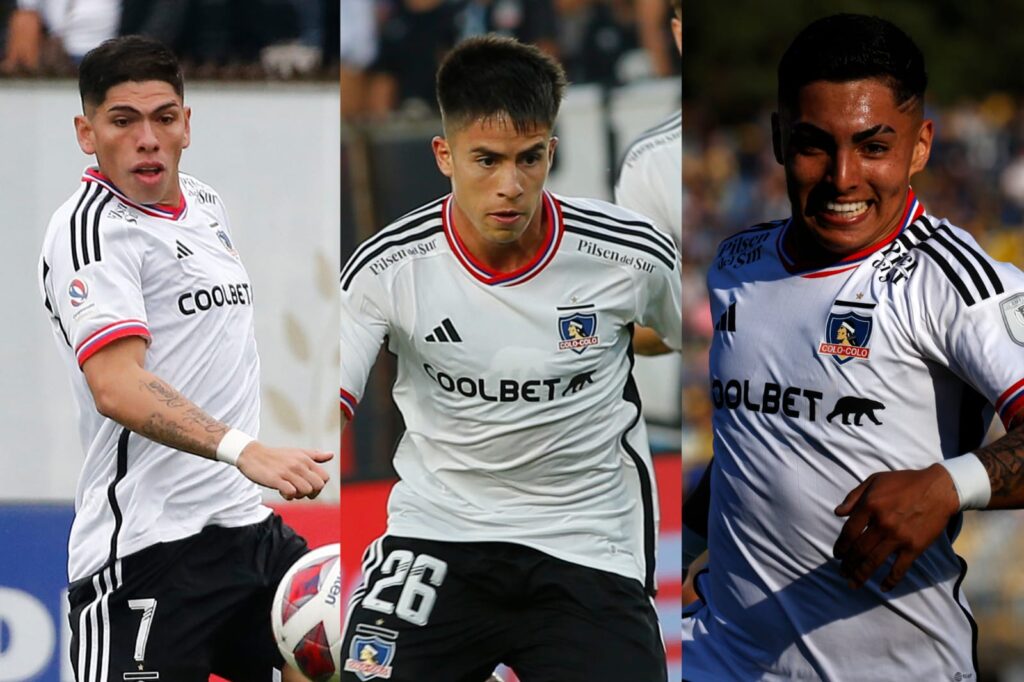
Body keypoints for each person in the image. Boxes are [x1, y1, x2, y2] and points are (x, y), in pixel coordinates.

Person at [681, 13, 1024, 680]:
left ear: (920, 145)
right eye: (814, 145)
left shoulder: (958, 283)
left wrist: (950, 486)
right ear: (779, 138)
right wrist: (684, 545)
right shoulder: (735, 265)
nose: (843, 178)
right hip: (722, 661)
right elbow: (750, 441)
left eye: (874, 146)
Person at [339, 35, 681, 682]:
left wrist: (592, 344)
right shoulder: (387, 267)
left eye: (530, 159)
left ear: (552, 150)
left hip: (587, 540)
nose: (510, 186)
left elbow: (678, 333)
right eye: (487, 160)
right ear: (444, 155)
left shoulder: (629, 254)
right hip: (440, 531)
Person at [37, 35, 332, 681]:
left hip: (247, 533)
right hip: (147, 554)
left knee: (359, 652)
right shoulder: (91, 232)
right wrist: (244, 450)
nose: (148, 138)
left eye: (164, 117)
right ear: (87, 133)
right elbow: (117, 386)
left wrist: (240, 470)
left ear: (186, 124)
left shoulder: (202, 203)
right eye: (123, 121)